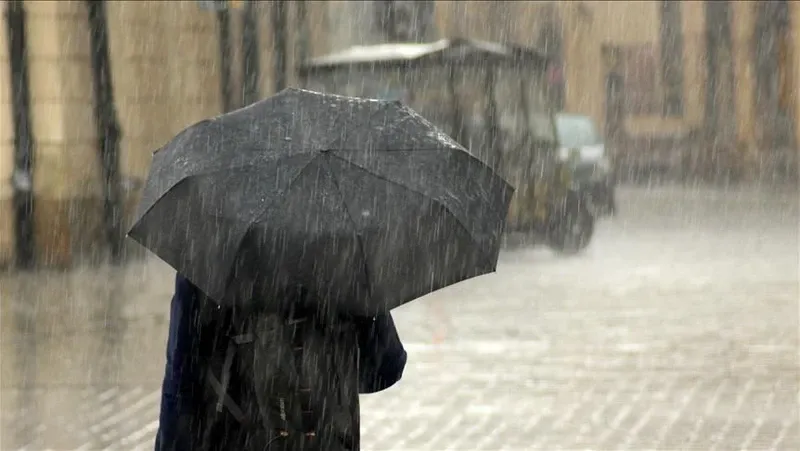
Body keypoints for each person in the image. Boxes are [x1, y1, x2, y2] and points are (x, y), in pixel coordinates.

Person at [155, 274, 407, 451]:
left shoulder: (210, 238)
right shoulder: (342, 241)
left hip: (236, 437)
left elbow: (182, 379)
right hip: (325, 438)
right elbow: (385, 368)